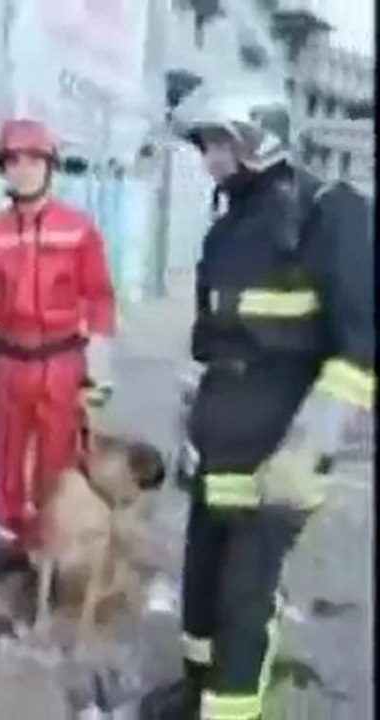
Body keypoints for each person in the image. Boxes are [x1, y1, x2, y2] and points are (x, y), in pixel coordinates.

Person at [139, 90, 374, 719]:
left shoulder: (329, 212)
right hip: (219, 446)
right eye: (205, 144)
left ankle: (230, 711)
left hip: (280, 453)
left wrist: (310, 447)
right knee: (202, 584)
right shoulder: (229, 226)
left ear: (257, 136)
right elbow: (212, 341)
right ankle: (196, 691)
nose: (209, 158)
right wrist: (190, 420)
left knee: (246, 600)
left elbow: (361, 348)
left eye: (218, 142)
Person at [0, 118, 117, 598]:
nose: (22, 170)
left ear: (50, 166)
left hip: (62, 362)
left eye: (33, 160)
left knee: (57, 460)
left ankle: (49, 554)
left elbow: (100, 301)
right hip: (8, 362)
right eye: (12, 161)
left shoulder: (79, 229)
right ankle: (10, 544)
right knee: (3, 457)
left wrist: (100, 372)